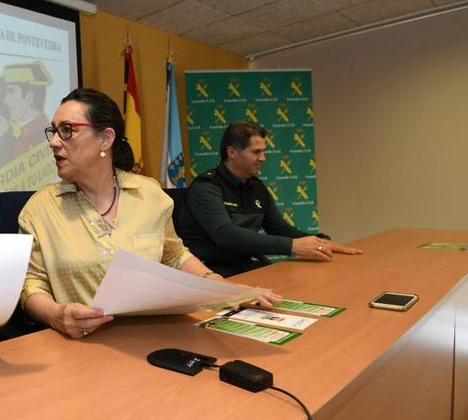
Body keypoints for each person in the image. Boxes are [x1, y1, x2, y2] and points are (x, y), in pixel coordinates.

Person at [18, 89, 280, 339]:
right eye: (53, 131)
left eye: (67, 130)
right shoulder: (40, 209)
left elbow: (174, 254)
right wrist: (56, 315)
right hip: (86, 348)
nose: (53, 142)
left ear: (105, 139)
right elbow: (32, 283)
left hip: (160, 338)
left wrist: (219, 286)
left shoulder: (150, 194)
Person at [178, 121, 361, 277]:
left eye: (263, 152)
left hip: (244, 267)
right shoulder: (206, 187)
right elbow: (225, 234)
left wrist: (320, 242)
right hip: (209, 272)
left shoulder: (256, 187)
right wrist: (292, 246)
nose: (263, 158)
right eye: (256, 152)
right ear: (232, 152)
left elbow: (278, 228)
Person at [2, 61, 52, 155]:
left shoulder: (43, 137)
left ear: (29, 96)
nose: (5, 100)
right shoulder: (21, 135)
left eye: (11, 92)